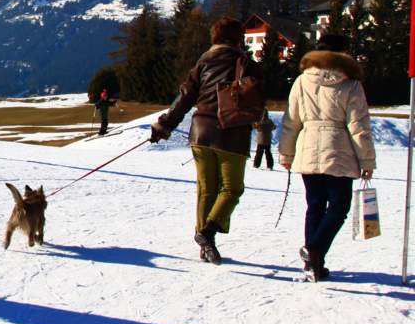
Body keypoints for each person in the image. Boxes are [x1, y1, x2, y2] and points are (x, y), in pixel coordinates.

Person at [148, 17, 262, 265]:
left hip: (200, 132)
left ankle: (205, 247)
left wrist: (164, 125)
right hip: (231, 134)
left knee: (206, 190)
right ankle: (207, 234)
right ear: (237, 38)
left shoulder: (203, 61)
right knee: (232, 188)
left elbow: (185, 97)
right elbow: (258, 98)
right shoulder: (245, 63)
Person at [278, 33, 374, 282]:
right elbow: (358, 126)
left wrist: (286, 153)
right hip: (339, 149)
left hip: (308, 145)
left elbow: (291, 121)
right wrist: (367, 160)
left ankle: (314, 264)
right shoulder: (351, 83)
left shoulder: (301, 80)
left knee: (315, 205)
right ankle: (315, 250)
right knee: (339, 206)